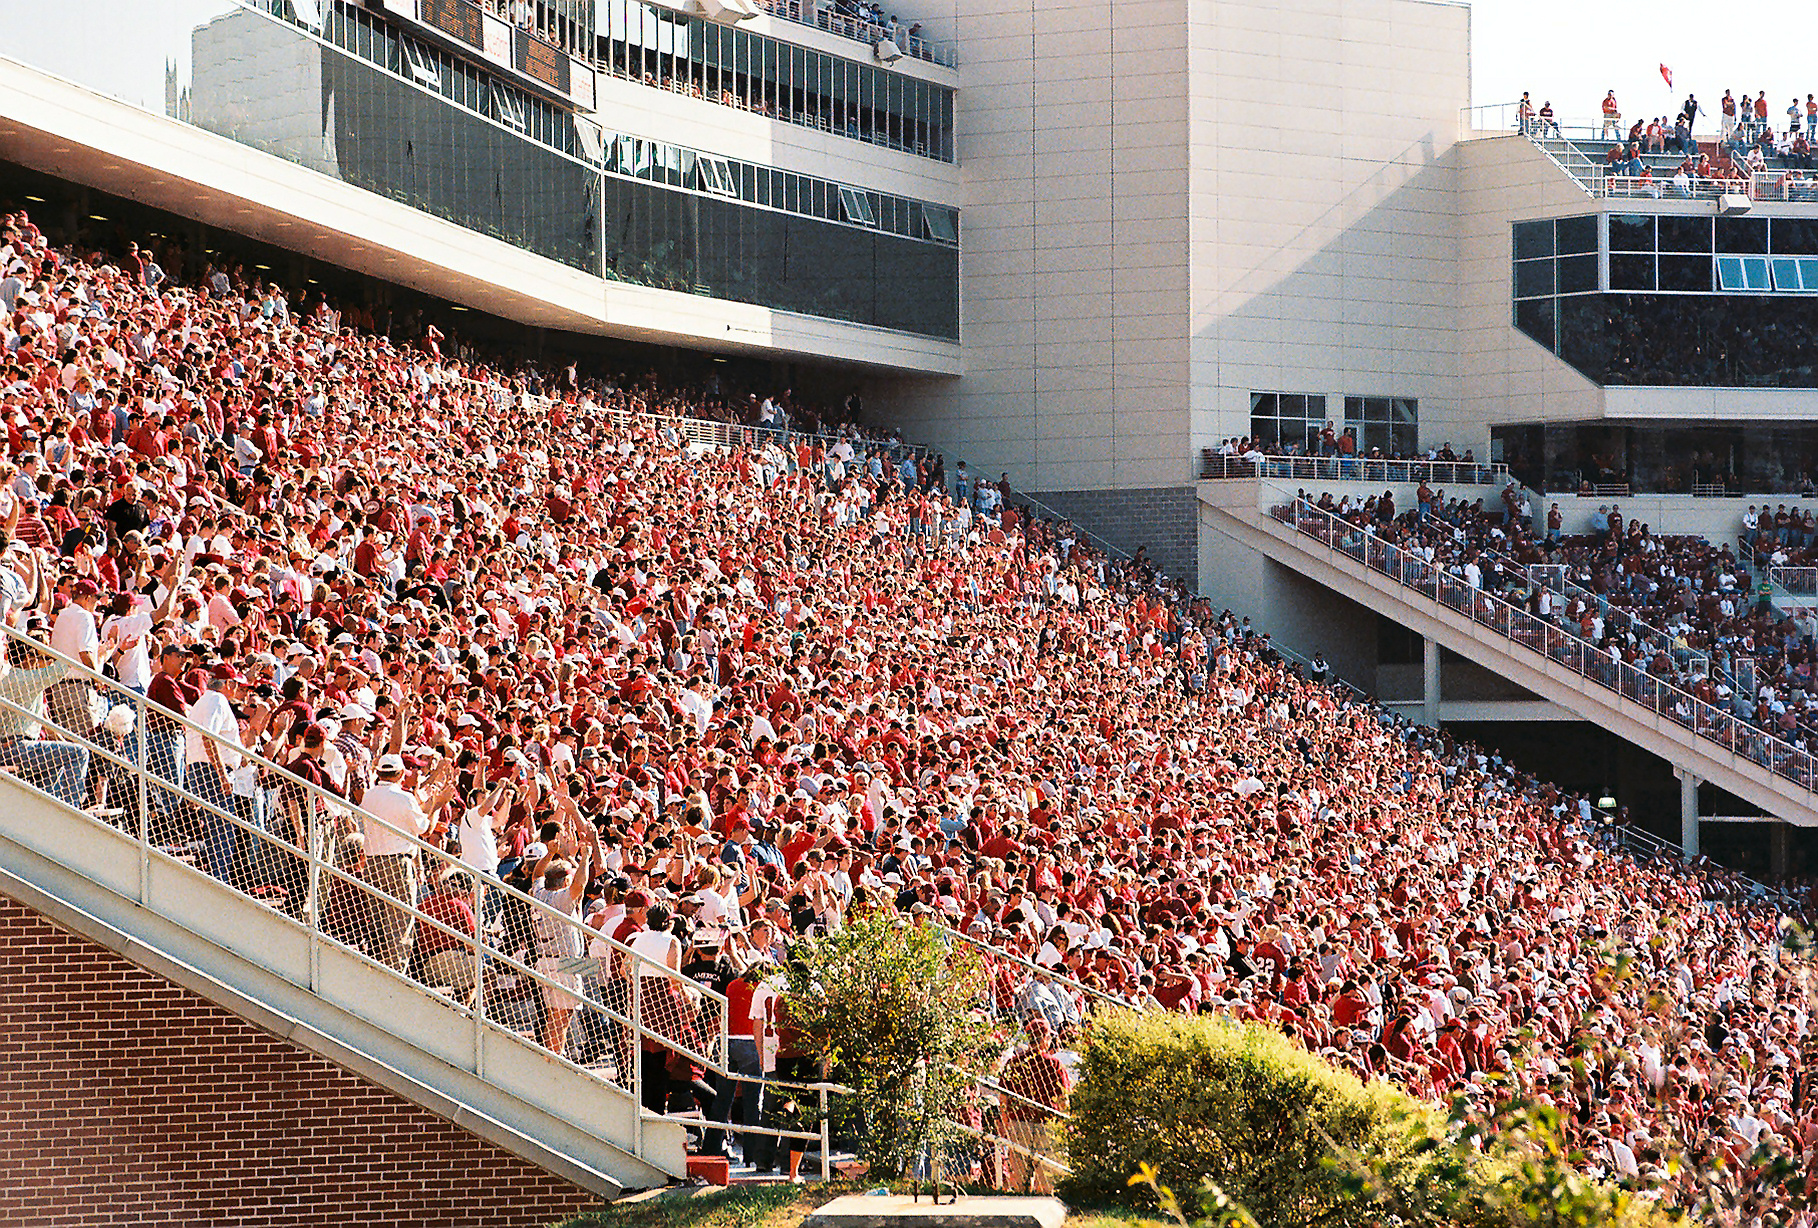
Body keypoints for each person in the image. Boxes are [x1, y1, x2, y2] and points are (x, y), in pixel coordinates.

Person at [359, 751, 458, 973]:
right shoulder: (404, 798)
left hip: (373, 863)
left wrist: (430, 802)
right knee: (400, 922)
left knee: (377, 921)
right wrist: (439, 803)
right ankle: (396, 972)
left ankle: (375, 968)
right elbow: (426, 829)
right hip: (397, 864)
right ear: (401, 774)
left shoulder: (369, 795)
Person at [0, 622, 94, 809]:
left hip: (12, 746)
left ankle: (47, 807)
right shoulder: (28, 679)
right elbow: (62, 667)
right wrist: (52, 652)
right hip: (18, 748)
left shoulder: (8, 676)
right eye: (41, 656)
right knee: (79, 753)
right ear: (28, 657)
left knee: (54, 766)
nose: (45, 661)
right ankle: (70, 808)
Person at [530, 815, 598, 1057]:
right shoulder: (560, 898)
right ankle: (555, 1057)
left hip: (549, 960)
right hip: (564, 962)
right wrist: (586, 857)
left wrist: (551, 854)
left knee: (558, 1012)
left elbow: (537, 873)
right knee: (561, 1016)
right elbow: (579, 885)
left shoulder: (538, 892)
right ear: (564, 881)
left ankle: (557, 1053)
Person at [999, 1016, 1070, 1194]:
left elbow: (1003, 1098)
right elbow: (1064, 1098)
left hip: (1019, 1122)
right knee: (1046, 1179)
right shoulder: (1054, 1064)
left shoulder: (1014, 1062)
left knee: (1019, 1176)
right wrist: (1064, 1123)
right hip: (1047, 1122)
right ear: (1046, 1038)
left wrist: (1006, 1121)